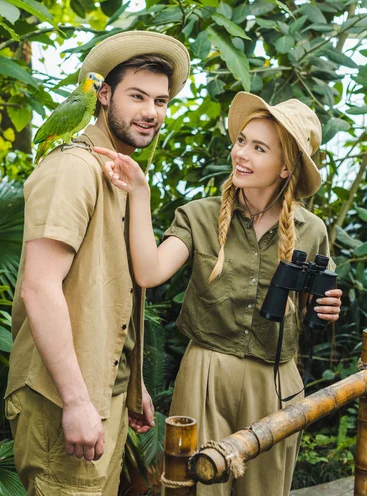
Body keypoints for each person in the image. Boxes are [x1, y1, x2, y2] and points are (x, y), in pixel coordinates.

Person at [94, 91, 342, 496]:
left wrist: (326, 307)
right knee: (196, 487)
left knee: (265, 488)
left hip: (275, 380)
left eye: (258, 148)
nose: (240, 154)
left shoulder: (312, 230)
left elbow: (311, 309)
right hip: (206, 372)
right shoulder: (199, 215)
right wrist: (140, 192)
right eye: (241, 141)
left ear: (285, 168)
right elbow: (150, 271)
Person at [5, 30, 190, 496]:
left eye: (161, 101)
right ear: (103, 95)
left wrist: (131, 388)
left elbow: (109, 291)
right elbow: (39, 287)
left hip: (103, 398)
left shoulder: (117, 172)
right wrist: (75, 401)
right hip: (63, 403)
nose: (151, 112)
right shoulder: (73, 168)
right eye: (137, 96)